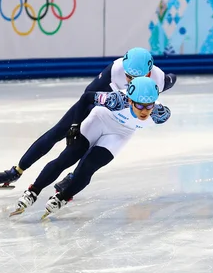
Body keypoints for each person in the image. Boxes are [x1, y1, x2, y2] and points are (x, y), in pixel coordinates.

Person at [0, 48, 176, 187]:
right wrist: (76, 124)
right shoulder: (116, 69)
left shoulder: (158, 81)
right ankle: (17, 170)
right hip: (102, 102)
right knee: (59, 132)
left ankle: (73, 176)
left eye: (135, 78)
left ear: (149, 73)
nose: (130, 81)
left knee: (98, 149)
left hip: (123, 118)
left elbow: (170, 79)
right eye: (128, 76)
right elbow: (87, 95)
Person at [9, 76, 171, 218]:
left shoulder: (160, 114)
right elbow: (86, 98)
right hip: (99, 120)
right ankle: (33, 191)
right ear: (129, 100)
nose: (144, 111)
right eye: (140, 106)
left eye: (149, 106)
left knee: (88, 167)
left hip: (120, 134)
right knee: (68, 157)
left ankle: (63, 197)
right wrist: (74, 125)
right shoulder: (116, 99)